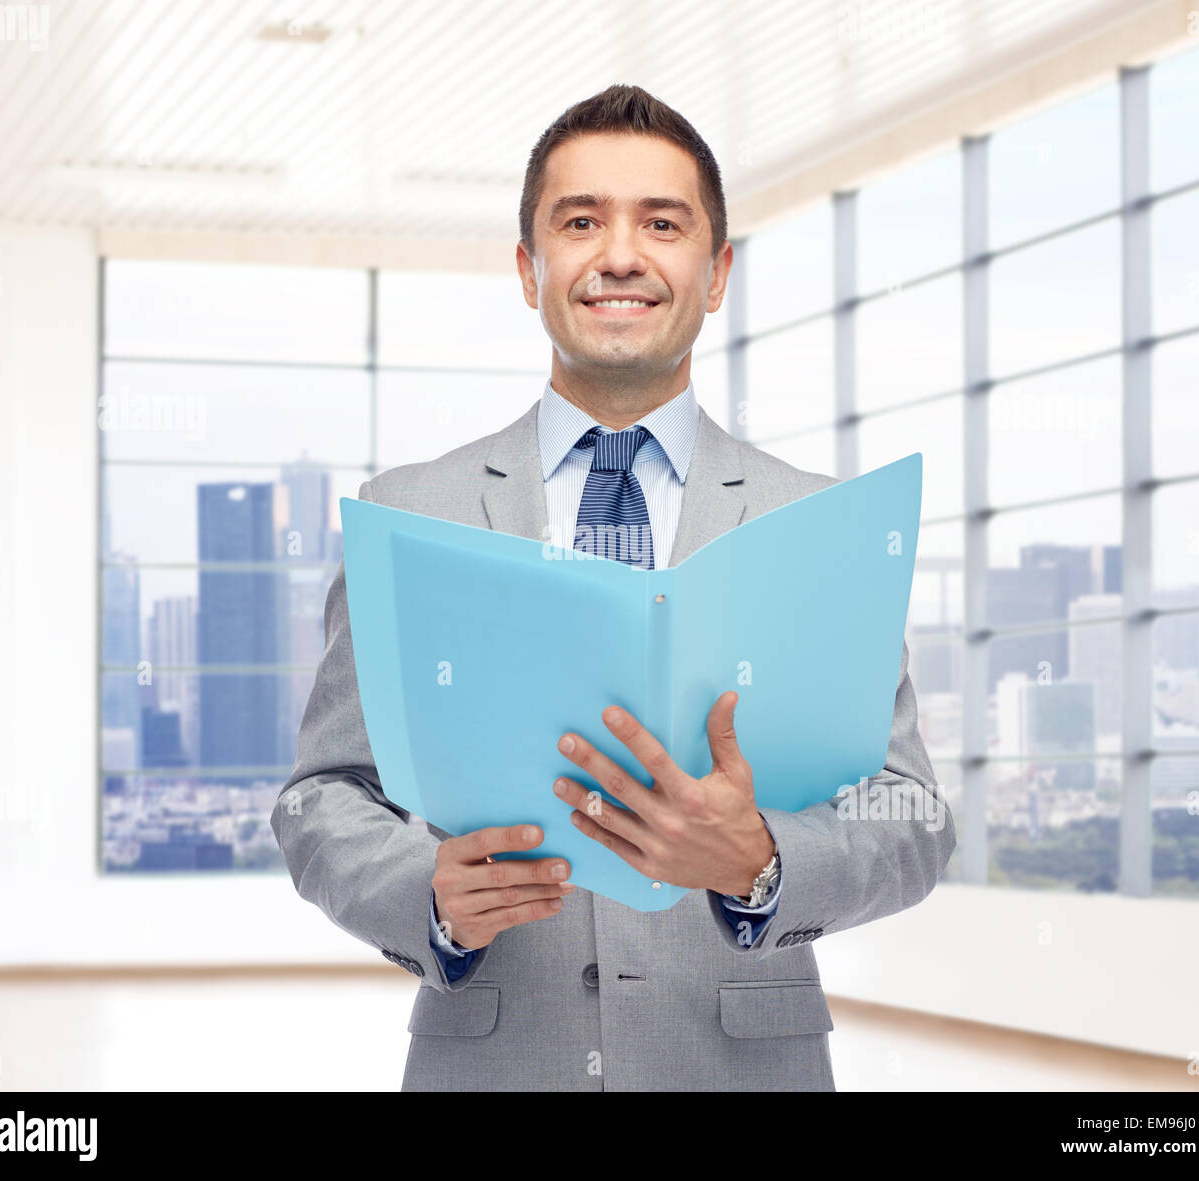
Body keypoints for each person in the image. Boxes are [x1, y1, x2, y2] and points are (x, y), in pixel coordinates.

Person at [270, 83, 955, 1092]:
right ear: (528, 267)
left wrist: (760, 858)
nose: (620, 254)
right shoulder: (411, 511)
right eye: (580, 220)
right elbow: (323, 792)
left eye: (662, 224)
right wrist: (429, 892)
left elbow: (910, 813)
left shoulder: (818, 523)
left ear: (716, 272)